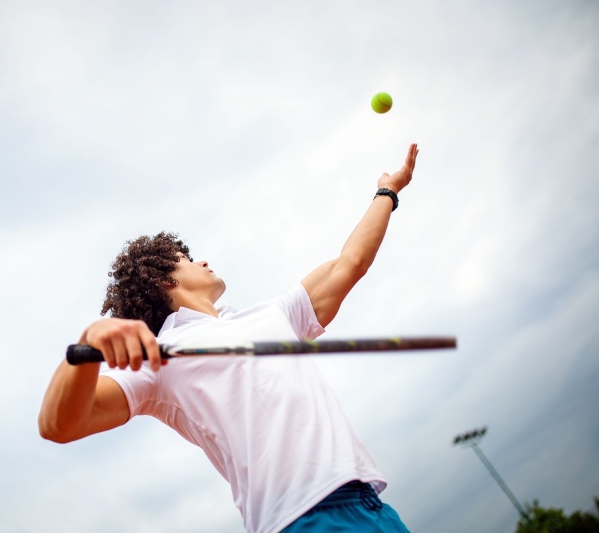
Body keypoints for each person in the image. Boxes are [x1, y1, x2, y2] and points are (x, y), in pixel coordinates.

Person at [39, 144, 419, 533]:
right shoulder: (159, 357)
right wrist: (85, 350)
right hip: (300, 520)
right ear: (164, 280)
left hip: (372, 506)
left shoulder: (273, 314)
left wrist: (387, 192)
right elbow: (59, 426)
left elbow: (348, 264)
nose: (201, 260)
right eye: (185, 259)